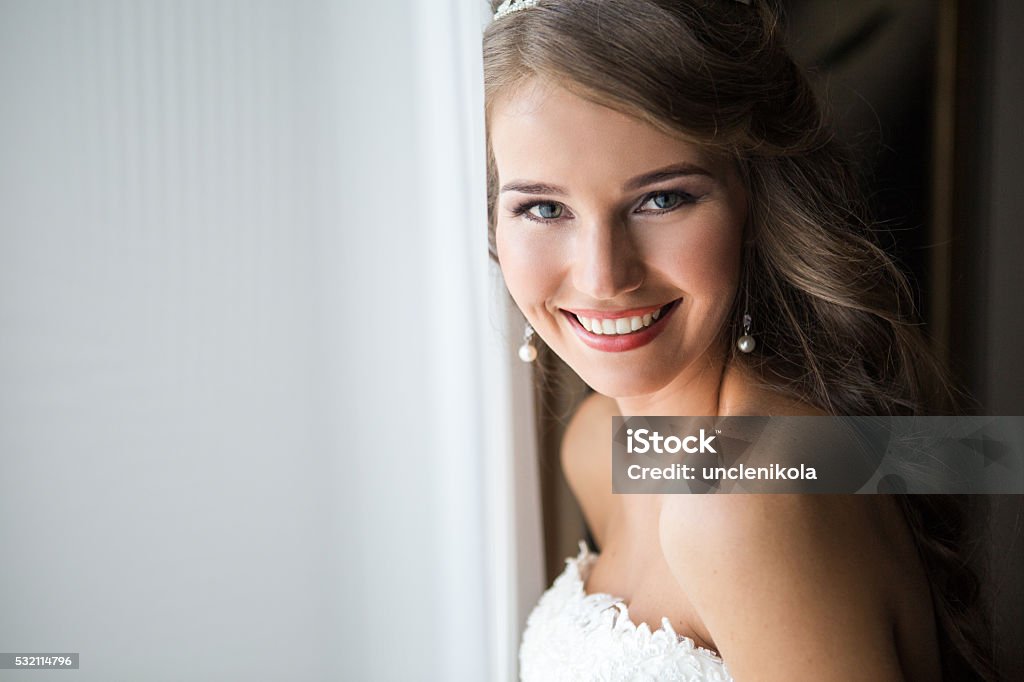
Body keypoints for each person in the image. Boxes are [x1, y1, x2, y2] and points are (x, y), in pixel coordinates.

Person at [483, 0, 998, 680]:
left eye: (662, 198)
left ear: (754, 201)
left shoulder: (746, 498)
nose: (604, 276)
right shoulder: (601, 444)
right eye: (543, 208)